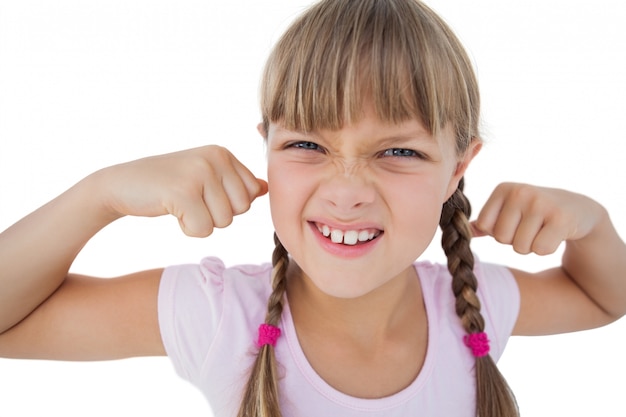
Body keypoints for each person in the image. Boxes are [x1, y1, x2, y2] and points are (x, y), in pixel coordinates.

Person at [0, 0, 625, 416]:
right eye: (306, 144)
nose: (347, 190)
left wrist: (592, 222)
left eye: (398, 151)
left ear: (458, 169)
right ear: (265, 148)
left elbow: (607, 299)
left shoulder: (475, 311)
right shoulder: (222, 317)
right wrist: (100, 193)